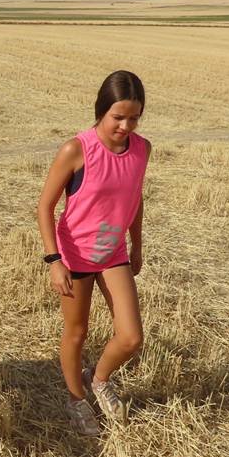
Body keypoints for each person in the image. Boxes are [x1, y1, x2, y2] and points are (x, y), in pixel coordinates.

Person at [37, 70, 151, 436]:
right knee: (77, 332)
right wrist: (54, 262)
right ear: (101, 110)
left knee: (131, 337)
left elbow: (135, 198)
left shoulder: (142, 149)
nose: (126, 125)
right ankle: (75, 399)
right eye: (118, 117)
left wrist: (137, 243)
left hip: (113, 252)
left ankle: (98, 379)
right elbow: (44, 207)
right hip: (75, 256)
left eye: (134, 117)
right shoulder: (77, 149)